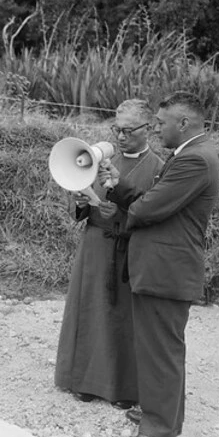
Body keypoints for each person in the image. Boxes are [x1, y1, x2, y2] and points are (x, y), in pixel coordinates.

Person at [98, 91, 219, 437]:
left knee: (160, 350)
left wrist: (127, 206)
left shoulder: (194, 160)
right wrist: (117, 187)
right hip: (166, 269)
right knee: (162, 348)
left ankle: (158, 428)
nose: (158, 129)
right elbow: (150, 200)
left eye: (163, 123)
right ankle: (165, 413)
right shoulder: (191, 155)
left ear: (183, 123)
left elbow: (149, 208)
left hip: (166, 271)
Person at [55, 99, 164, 410]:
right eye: (117, 128)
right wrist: (79, 202)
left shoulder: (158, 168)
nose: (121, 136)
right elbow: (79, 203)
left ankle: (122, 388)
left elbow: (154, 213)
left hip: (127, 249)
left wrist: (121, 214)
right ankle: (84, 382)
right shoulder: (99, 157)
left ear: (148, 130)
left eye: (129, 130)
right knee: (89, 311)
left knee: (121, 318)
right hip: (93, 245)